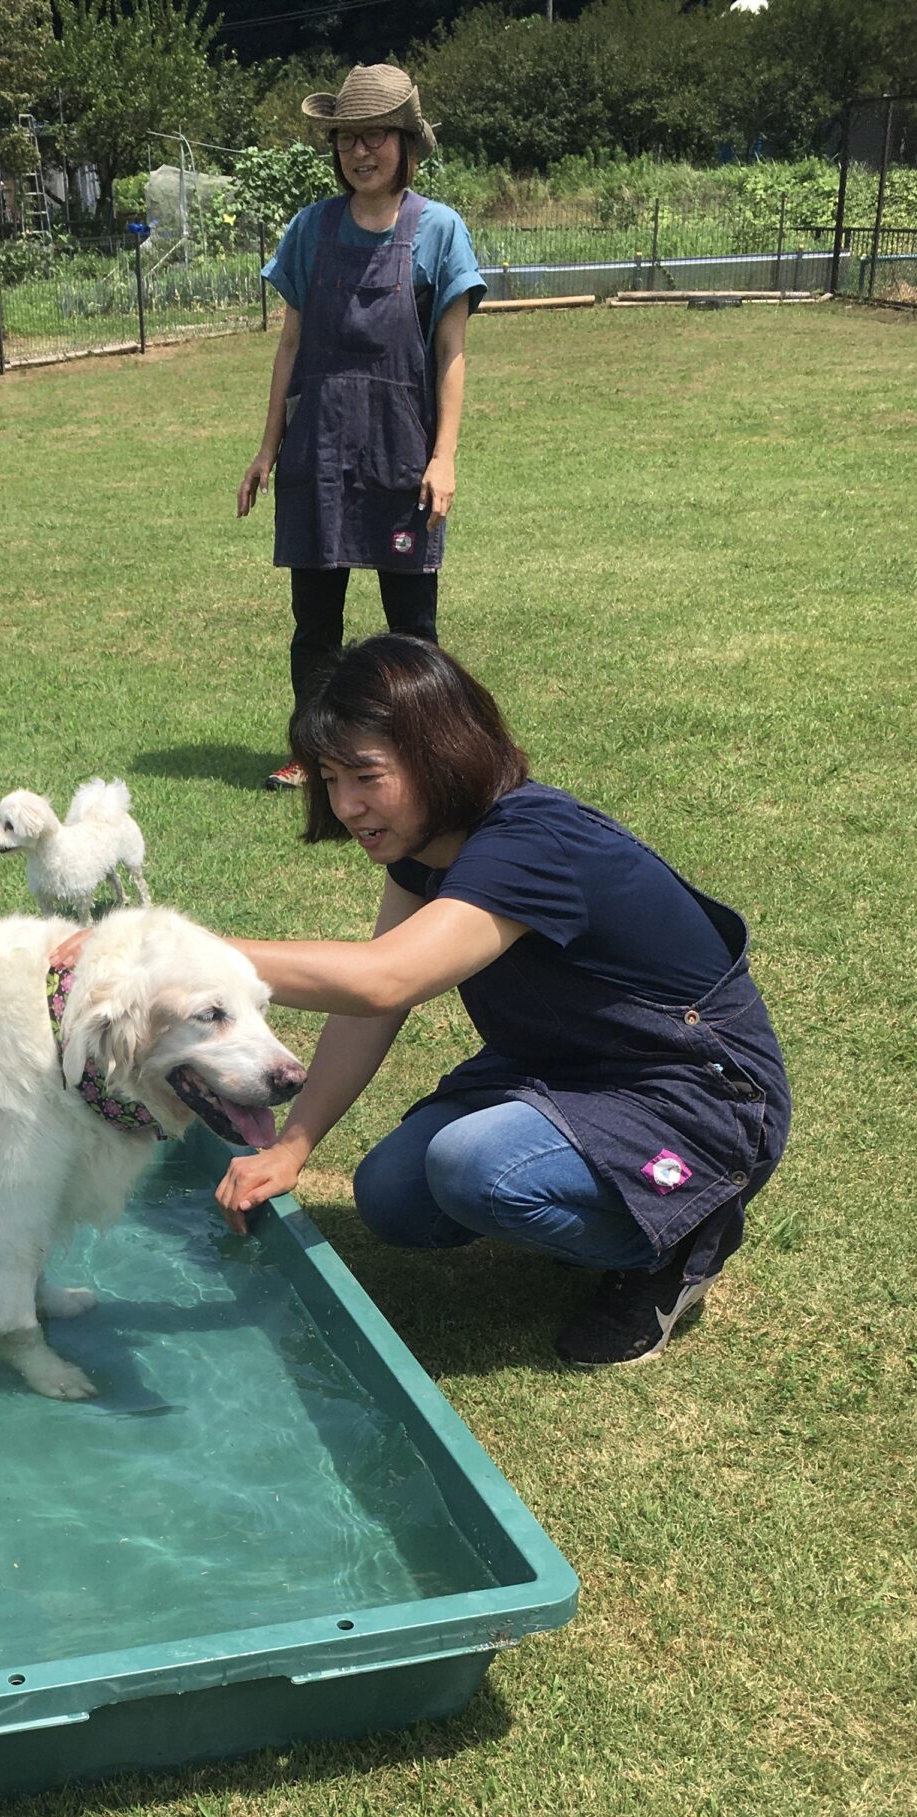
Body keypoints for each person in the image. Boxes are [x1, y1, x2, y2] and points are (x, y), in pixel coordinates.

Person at [213, 633, 792, 1367]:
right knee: (393, 1196)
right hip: (566, 1067)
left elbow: (383, 978)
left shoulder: (531, 842)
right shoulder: (425, 850)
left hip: (693, 1088)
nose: (347, 805)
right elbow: (375, 1005)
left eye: (367, 776)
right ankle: (600, 1202)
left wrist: (174, 951)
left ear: (437, 754)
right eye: (330, 779)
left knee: (473, 1166)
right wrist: (293, 1147)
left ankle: (677, 1245)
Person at [237, 64, 486, 792]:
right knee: (315, 623)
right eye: (347, 137)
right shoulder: (310, 229)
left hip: (401, 454)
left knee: (411, 628)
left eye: (375, 135)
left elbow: (451, 351)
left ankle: (421, 752)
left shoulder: (439, 230)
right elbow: (290, 345)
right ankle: (316, 754)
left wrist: (444, 457)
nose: (360, 151)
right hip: (317, 452)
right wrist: (266, 448)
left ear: (405, 143)